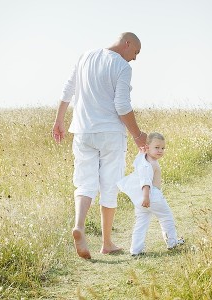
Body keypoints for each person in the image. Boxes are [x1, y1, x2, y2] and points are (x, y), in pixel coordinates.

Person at [52, 32, 147, 259]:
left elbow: (68, 90)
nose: (135, 58)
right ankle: (106, 243)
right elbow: (122, 105)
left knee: (85, 183)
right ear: (127, 44)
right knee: (110, 185)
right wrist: (137, 135)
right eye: (136, 52)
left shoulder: (85, 57)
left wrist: (59, 121)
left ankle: (79, 226)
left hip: (83, 131)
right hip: (111, 134)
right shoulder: (123, 67)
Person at [117, 132, 185, 255]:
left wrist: (141, 151)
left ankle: (136, 249)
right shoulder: (148, 164)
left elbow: (138, 160)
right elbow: (146, 181)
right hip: (152, 195)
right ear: (148, 147)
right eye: (157, 147)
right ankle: (172, 242)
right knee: (166, 217)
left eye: (163, 148)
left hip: (142, 200)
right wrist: (146, 196)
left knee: (141, 222)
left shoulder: (143, 159)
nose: (160, 150)